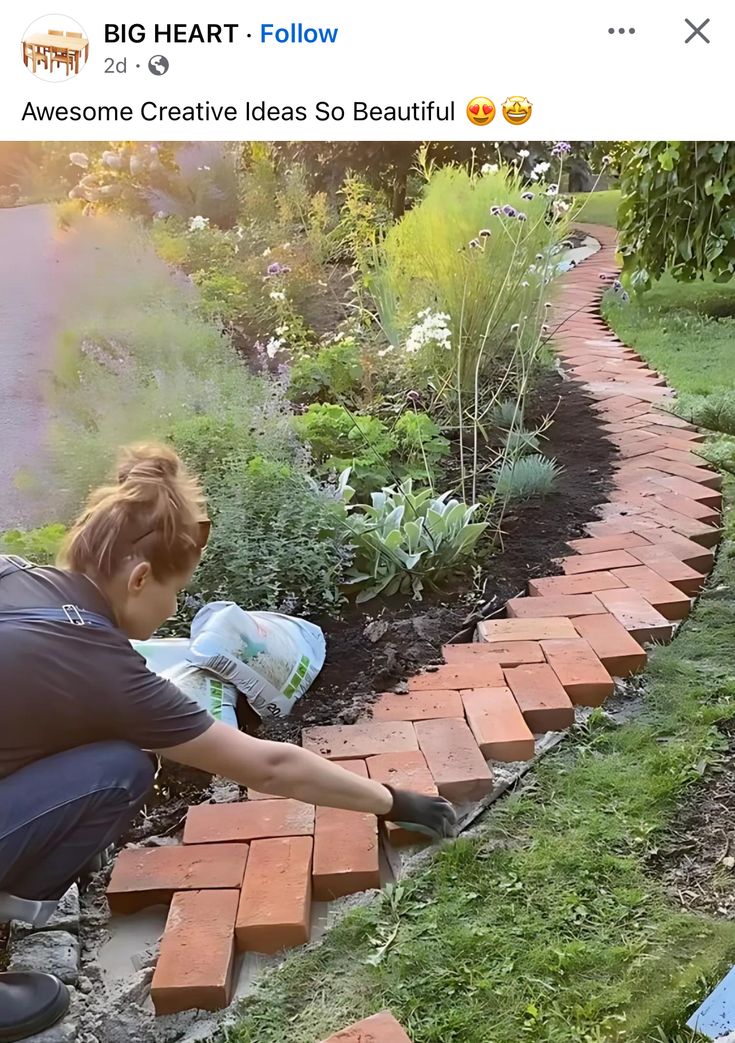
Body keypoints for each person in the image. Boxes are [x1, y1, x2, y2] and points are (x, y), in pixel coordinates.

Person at [0, 443, 456, 1041]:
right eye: (177, 593)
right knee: (122, 768)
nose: (175, 610)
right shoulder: (102, 668)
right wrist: (395, 801)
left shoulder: (14, 573)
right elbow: (268, 766)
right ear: (139, 579)